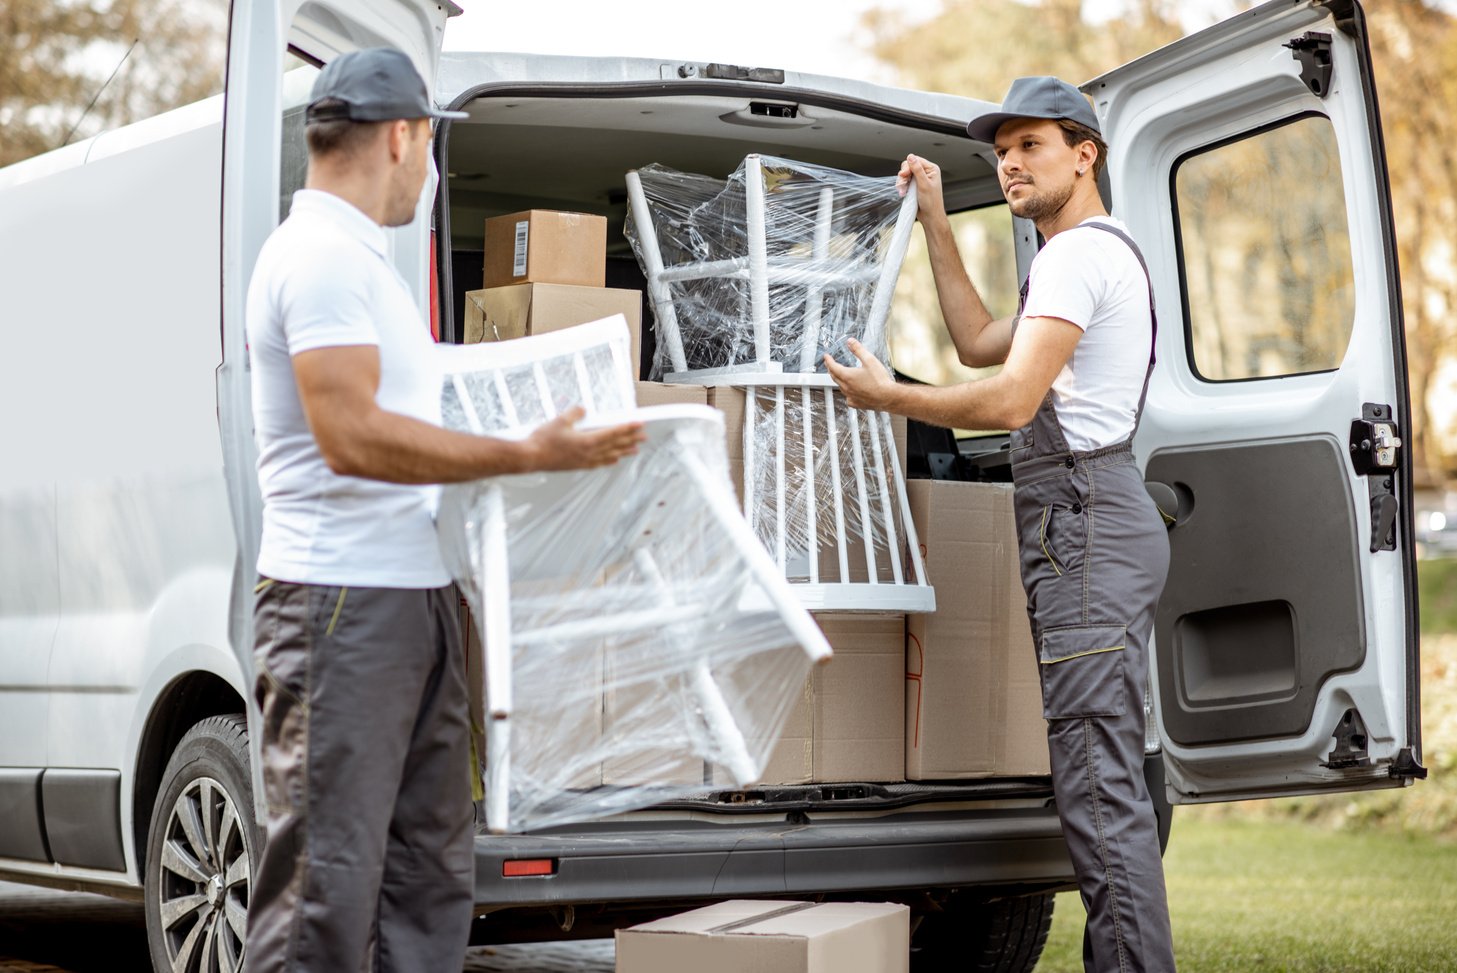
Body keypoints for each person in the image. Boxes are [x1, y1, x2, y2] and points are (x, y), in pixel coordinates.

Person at [243, 47, 644, 973]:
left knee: (426, 872)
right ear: (401, 137)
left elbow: (410, 419)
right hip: (339, 605)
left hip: (412, 595)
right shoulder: (317, 258)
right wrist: (524, 455)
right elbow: (352, 433)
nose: (425, 170)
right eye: (428, 147)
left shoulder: (363, 264)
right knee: (324, 887)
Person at [825, 76, 1175, 972]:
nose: (1010, 164)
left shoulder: (1073, 256)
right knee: (1101, 780)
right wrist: (938, 217)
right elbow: (981, 342)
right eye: (1000, 151)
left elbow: (1013, 397)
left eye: (1029, 146)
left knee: (1097, 789)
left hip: (1085, 519)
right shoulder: (1093, 253)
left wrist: (886, 397)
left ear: (1083, 153)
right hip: (1095, 517)